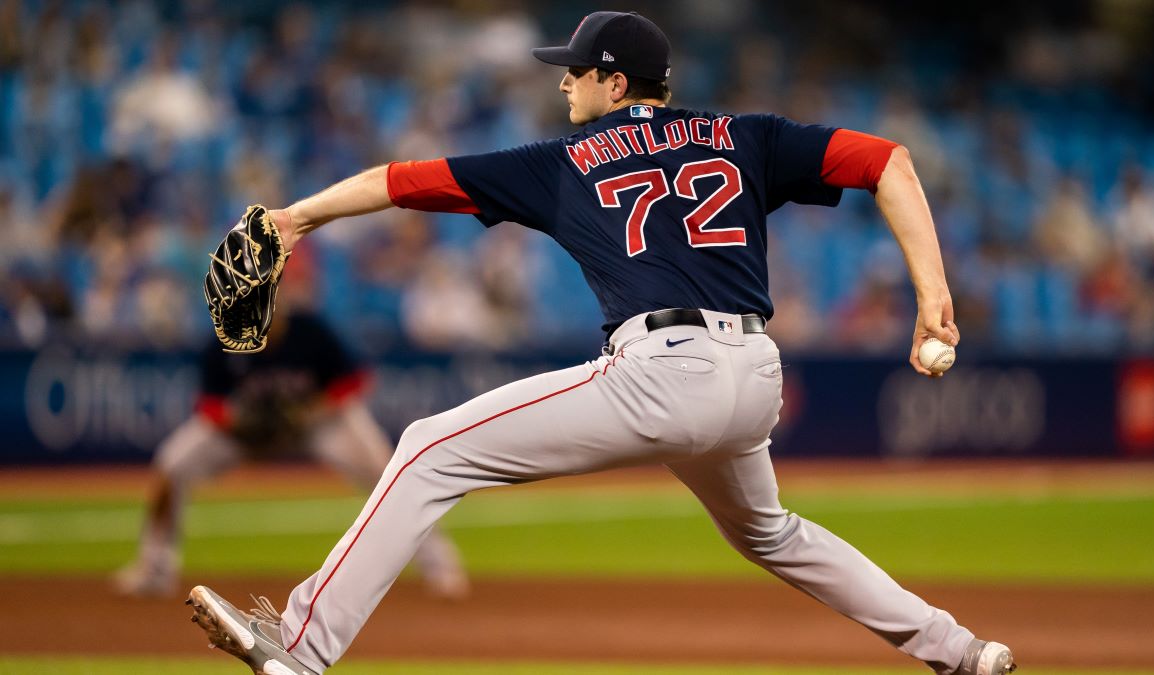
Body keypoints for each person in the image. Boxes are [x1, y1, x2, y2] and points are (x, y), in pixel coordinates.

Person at [187, 11, 1015, 675]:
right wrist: (934, 298)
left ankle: (299, 648)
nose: (565, 83)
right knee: (771, 533)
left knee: (427, 447)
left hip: (661, 373)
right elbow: (890, 162)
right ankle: (959, 651)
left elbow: (399, 182)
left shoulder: (565, 158)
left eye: (576, 71)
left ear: (615, 81)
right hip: (754, 374)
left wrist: (295, 217)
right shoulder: (746, 133)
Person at [116, 300, 469, 601]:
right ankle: (155, 568)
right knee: (171, 464)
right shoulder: (228, 338)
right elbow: (209, 407)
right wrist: (243, 423)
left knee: (389, 474)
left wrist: (308, 412)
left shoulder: (309, 331)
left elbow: (354, 382)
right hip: (249, 433)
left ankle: (439, 563)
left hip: (317, 422)